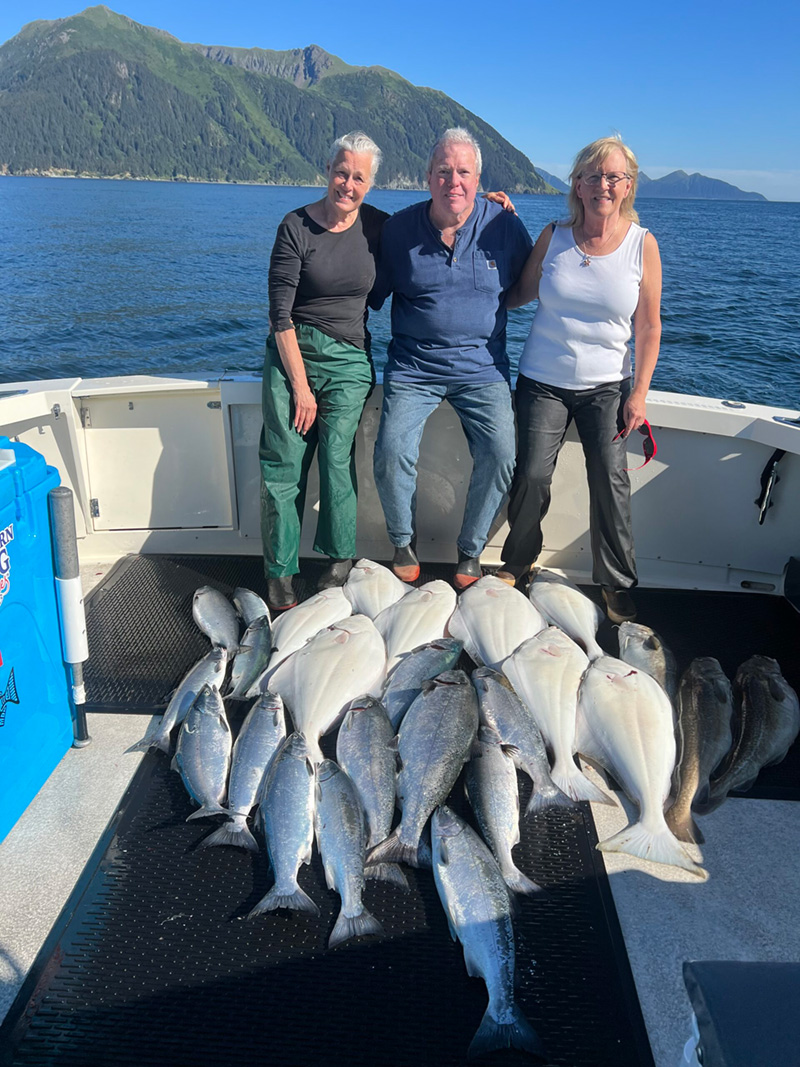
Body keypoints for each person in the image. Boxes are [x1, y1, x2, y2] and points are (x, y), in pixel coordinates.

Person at [496, 136, 662, 623]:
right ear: (577, 184)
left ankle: (614, 582)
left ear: (628, 186)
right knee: (530, 475)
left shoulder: (641, 244)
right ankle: (519, 561)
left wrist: (640, 393)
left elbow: (649, 327)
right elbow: (517, 294)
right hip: (542, 379)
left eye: (613, 177)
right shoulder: (553, 236)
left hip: (608, 386)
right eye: (593, 176)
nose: (602, 186)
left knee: (610, 480)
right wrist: (495, 221)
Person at [370, 128, 533, 590]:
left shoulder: (504, 224)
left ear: (478, 178)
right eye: (444, 171)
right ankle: (403, 541)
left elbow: (529, 281)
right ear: (427, 177)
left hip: (483, 368)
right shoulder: (398, 230)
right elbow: (367, 290)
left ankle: (470, 551)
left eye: (463, 171)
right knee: (390, 452)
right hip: (413, 367)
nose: (453, 181)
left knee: (502, 452)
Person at [259, 131, 387, 611]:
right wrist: (299, 385)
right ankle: (280, 574)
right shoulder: (294, 226)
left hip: (349, 358)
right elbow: (280, 315)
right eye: (341, 171)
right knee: (284, 466)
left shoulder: (378, 227)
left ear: (370, 184)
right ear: (327, 169)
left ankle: (337, 561)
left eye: (358, 176)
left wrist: (488, 208)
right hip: (292, 352)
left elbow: (435, 227)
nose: (347, 184)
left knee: (336, 459)